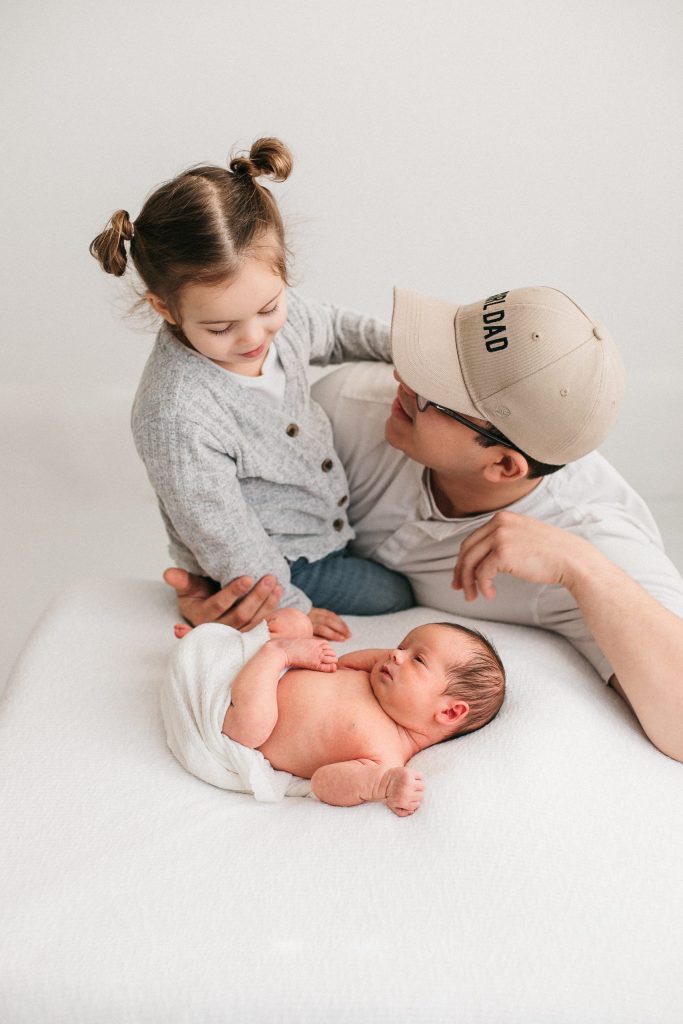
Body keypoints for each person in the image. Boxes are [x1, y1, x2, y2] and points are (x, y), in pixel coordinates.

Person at [165, 284, 683, 763]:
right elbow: (237, 533)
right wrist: (231, 592)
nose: (403, 381)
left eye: (436, 395)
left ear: (504, 466)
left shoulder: (594, 536)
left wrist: (581, 567)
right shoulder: (347, 409)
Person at [89, 137, 414, 640]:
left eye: (268, 309)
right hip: (278, 559)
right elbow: (222, 533)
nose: (254, 337)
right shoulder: (177, 413)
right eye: (220, 328)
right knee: (397, 595)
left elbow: (334, 327)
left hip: (328, 518)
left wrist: (407, 348)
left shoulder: (274, 315)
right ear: (165, 308)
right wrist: (289, 607)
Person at [164, 607, 505, 815]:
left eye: (417, 659)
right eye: (402, 645)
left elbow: (324, 783)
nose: (395, 655)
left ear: (448, 713)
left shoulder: (385, 758)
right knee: (296, 621)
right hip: (249, 669)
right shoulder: (379, 677)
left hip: (239, 715)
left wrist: (381, 786)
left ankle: (274, 653)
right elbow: (344, 661)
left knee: (251, 728)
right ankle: (226, 642)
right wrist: (393, 659)